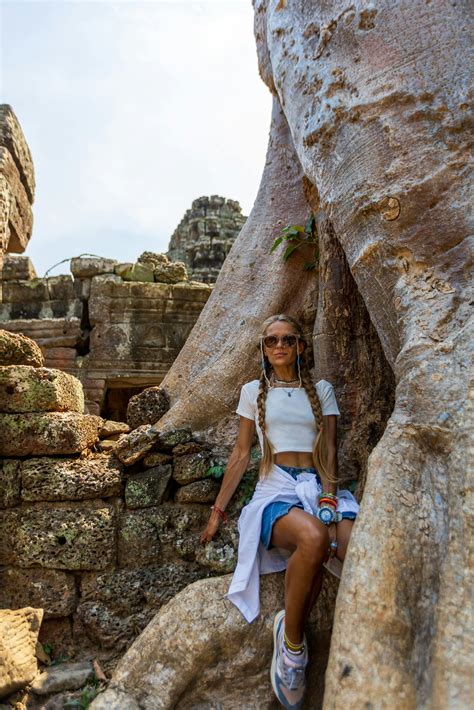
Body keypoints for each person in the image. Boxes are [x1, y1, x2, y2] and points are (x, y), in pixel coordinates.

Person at [200, 314, 359, 709]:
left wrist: (327, 496)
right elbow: (240, 454)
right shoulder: (252, 391)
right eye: (271, 341)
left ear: (301, 346)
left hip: (316, 485)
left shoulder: (321, 391)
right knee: (313, 537)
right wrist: (218, 511)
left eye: (288, 339)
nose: (279, 346)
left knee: (354, 547)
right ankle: (292, 648)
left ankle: (350, 647)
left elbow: (330, 450)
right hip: (276, 490)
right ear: (263, 349)